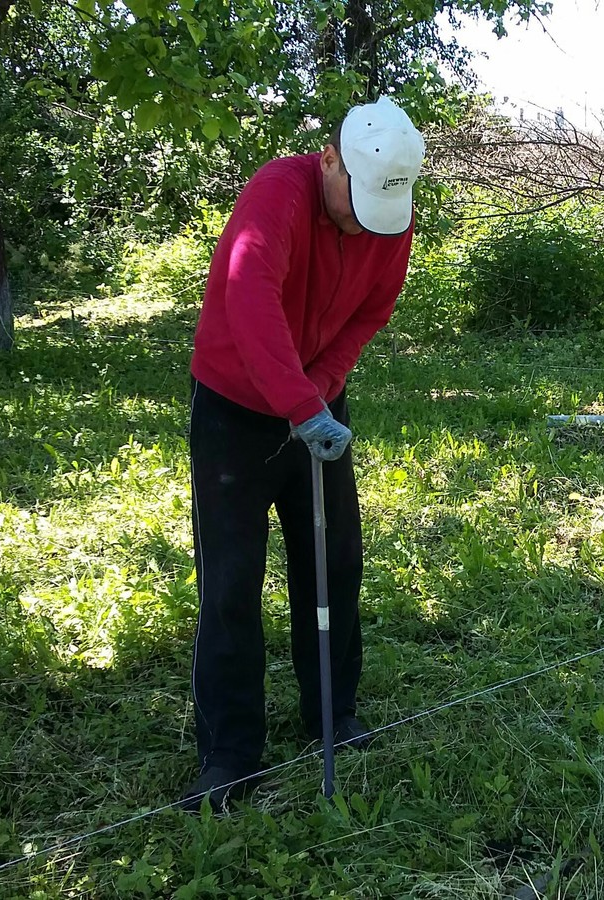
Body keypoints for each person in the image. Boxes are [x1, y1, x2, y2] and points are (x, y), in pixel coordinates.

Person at [177, 97, 426, 813]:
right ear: (330, 161)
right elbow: (248, 298)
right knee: (230, 582)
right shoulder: (276, 193)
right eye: (357, 202)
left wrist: (320, 392)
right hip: (233, 405)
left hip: (312, 402)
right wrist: (298, 401)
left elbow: (370, 312)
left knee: (334, 561)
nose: (362, 223)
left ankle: (332, 715)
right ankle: (230, 755)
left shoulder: (389, 216)